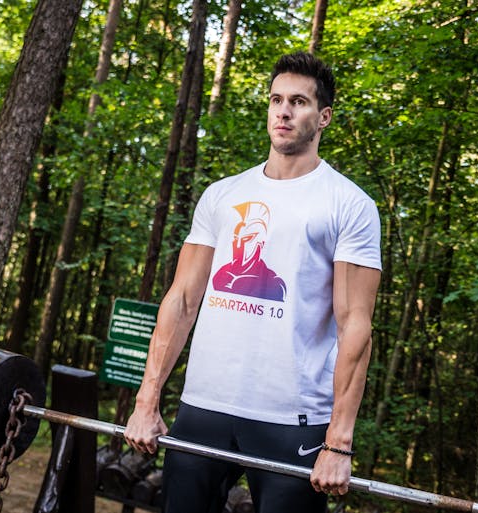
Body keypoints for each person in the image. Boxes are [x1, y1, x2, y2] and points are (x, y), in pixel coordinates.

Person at [124, 51, 382, 513]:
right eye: (277, 99)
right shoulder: (223, 195)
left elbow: (355, 326)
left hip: (294, 420)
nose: (284, 111)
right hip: (204, 405)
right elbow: (182, 300)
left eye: (299, 102)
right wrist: (148, 398)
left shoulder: (348, 204)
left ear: (323, 117)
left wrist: (339, 441)